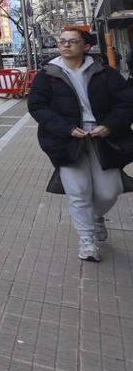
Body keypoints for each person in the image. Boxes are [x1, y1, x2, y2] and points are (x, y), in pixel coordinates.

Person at [27, 28, 133, 262]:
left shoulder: (104, 71)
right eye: (62, 42)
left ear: (86, 47)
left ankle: (96, 217)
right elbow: (37, 106)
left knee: (109, 190)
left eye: (72, 42)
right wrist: (64, 128)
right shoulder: (48, 74)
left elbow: (126, 103)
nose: (66, 46)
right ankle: (87, 241)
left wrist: (110, 126)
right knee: (78, 191)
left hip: (103, 137)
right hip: (65, 140)